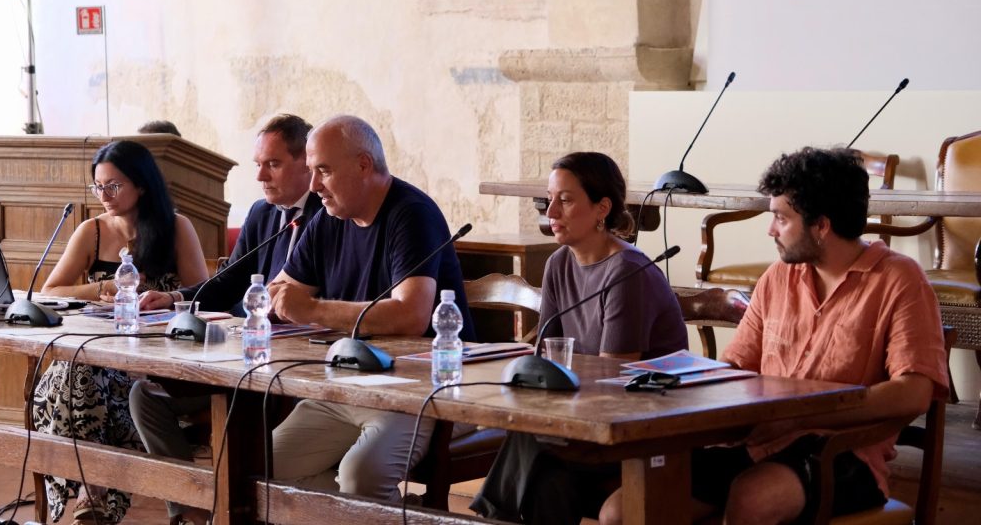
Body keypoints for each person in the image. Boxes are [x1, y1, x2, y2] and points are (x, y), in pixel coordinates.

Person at [599, 147, 949, 525]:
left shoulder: (899, 279)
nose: (770, 230)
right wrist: (681, 386)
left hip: (842, 454)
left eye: (781, 218)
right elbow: (736, 366)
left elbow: (914, 392)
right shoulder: (778, 278)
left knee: (753, 499)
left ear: (822, 225)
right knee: (623, 511)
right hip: (757, 444)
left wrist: (803, 416)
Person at [470, 152, 688, 524]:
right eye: (548, 200)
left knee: (531, 438)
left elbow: (612, 374)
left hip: (642, 426)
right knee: (550, 483)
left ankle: (489, 516)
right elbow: (547, 360)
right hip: (583, 417)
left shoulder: (627, 271)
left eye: (565, 200)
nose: (551, 212)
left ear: (602, 207)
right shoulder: (559, 263)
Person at [268, 114, 476, 502]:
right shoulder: (329, 216)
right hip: (345, 386)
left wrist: (311, 309)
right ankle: (398, 513)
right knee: (262, 466)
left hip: (419, 390)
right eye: (312, 172)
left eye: (323, 171)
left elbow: (411, 316)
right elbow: (281, 290)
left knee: (360, 475)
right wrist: (281, 301)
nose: (314, 186)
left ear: (364, 165)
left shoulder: (411, 213)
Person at [129, 113, 320, 525]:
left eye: (272, 164)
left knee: (240, 406)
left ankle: (240, 511)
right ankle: (192, 515)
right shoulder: (262, 213)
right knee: (145, 396)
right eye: (257, 164)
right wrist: (177, 297)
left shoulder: (331, 212)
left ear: (307, 162)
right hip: (245, 350)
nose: (261, 176)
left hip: (294, 359)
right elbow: (232, 279)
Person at [32, 140, 208, 525]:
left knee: (77, 374)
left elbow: (204, 298)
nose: (104, 195)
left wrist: (167, 298)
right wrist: (103, 289)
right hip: (97, 354)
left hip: (154, 364)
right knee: (75, 370)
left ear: (141, 185)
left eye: (114, 185)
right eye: (98, 186)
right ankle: (92, 491)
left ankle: (92, 493)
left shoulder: (177, 227)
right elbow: (49, 291)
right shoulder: (91, 231)